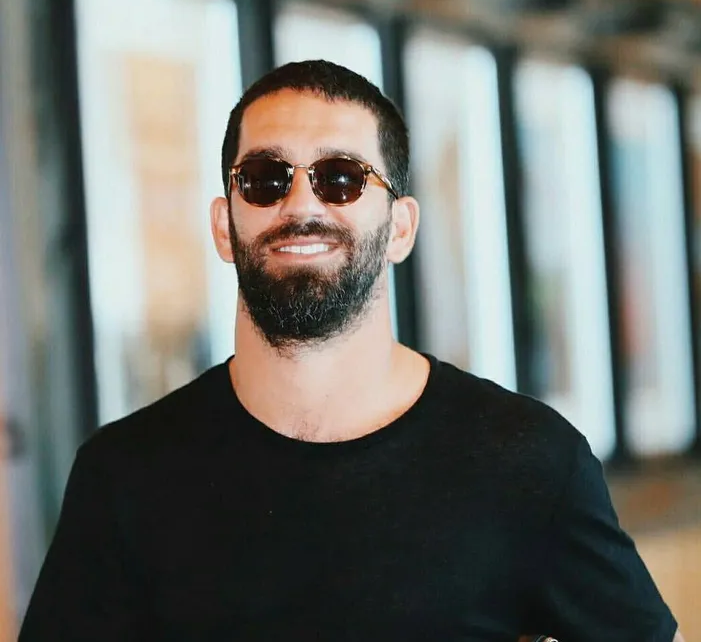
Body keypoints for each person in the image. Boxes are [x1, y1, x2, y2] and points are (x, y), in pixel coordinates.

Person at [19, 60, 683, 642]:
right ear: (224, 226)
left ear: (400, 228)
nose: (300, 204)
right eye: (265, 178)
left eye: (341, 178)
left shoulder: (530, 461)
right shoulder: (125, 475)